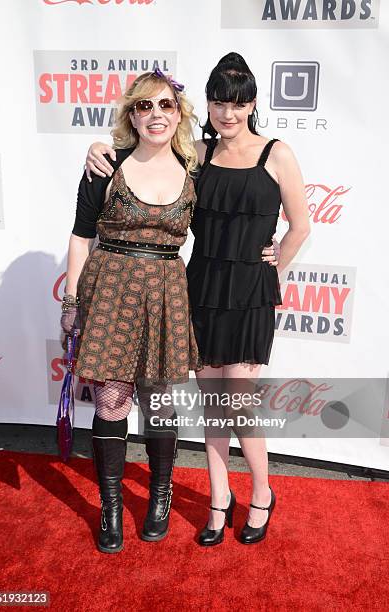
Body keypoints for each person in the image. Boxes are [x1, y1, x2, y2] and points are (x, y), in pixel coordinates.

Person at [84, 53, 303, 547]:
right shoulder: (197, 157)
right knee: (211, 408)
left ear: (252, 104)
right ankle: (219, 500)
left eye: (239, 102)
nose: (229, 112)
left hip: (248, 295)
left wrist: (271, 269)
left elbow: (301, 225)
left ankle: (263, 494)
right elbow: (141, 155)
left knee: (239, 405)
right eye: (219, 101)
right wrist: (99, 147)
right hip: (199, 288)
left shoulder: (277, 153)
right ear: (205, 104)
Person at [61, 69, 201, 553]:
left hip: (166, 291)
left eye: (165, 104)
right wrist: (71, 303)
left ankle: (159, 497)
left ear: (178, 111)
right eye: (145, 106)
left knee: (159, 402)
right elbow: (81, 237)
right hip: (111, 292)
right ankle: (112, 506)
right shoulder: (105, 165)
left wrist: (269, 250)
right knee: (112, 403)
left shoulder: (195, 167)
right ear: (132, 115)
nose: (156, 114)